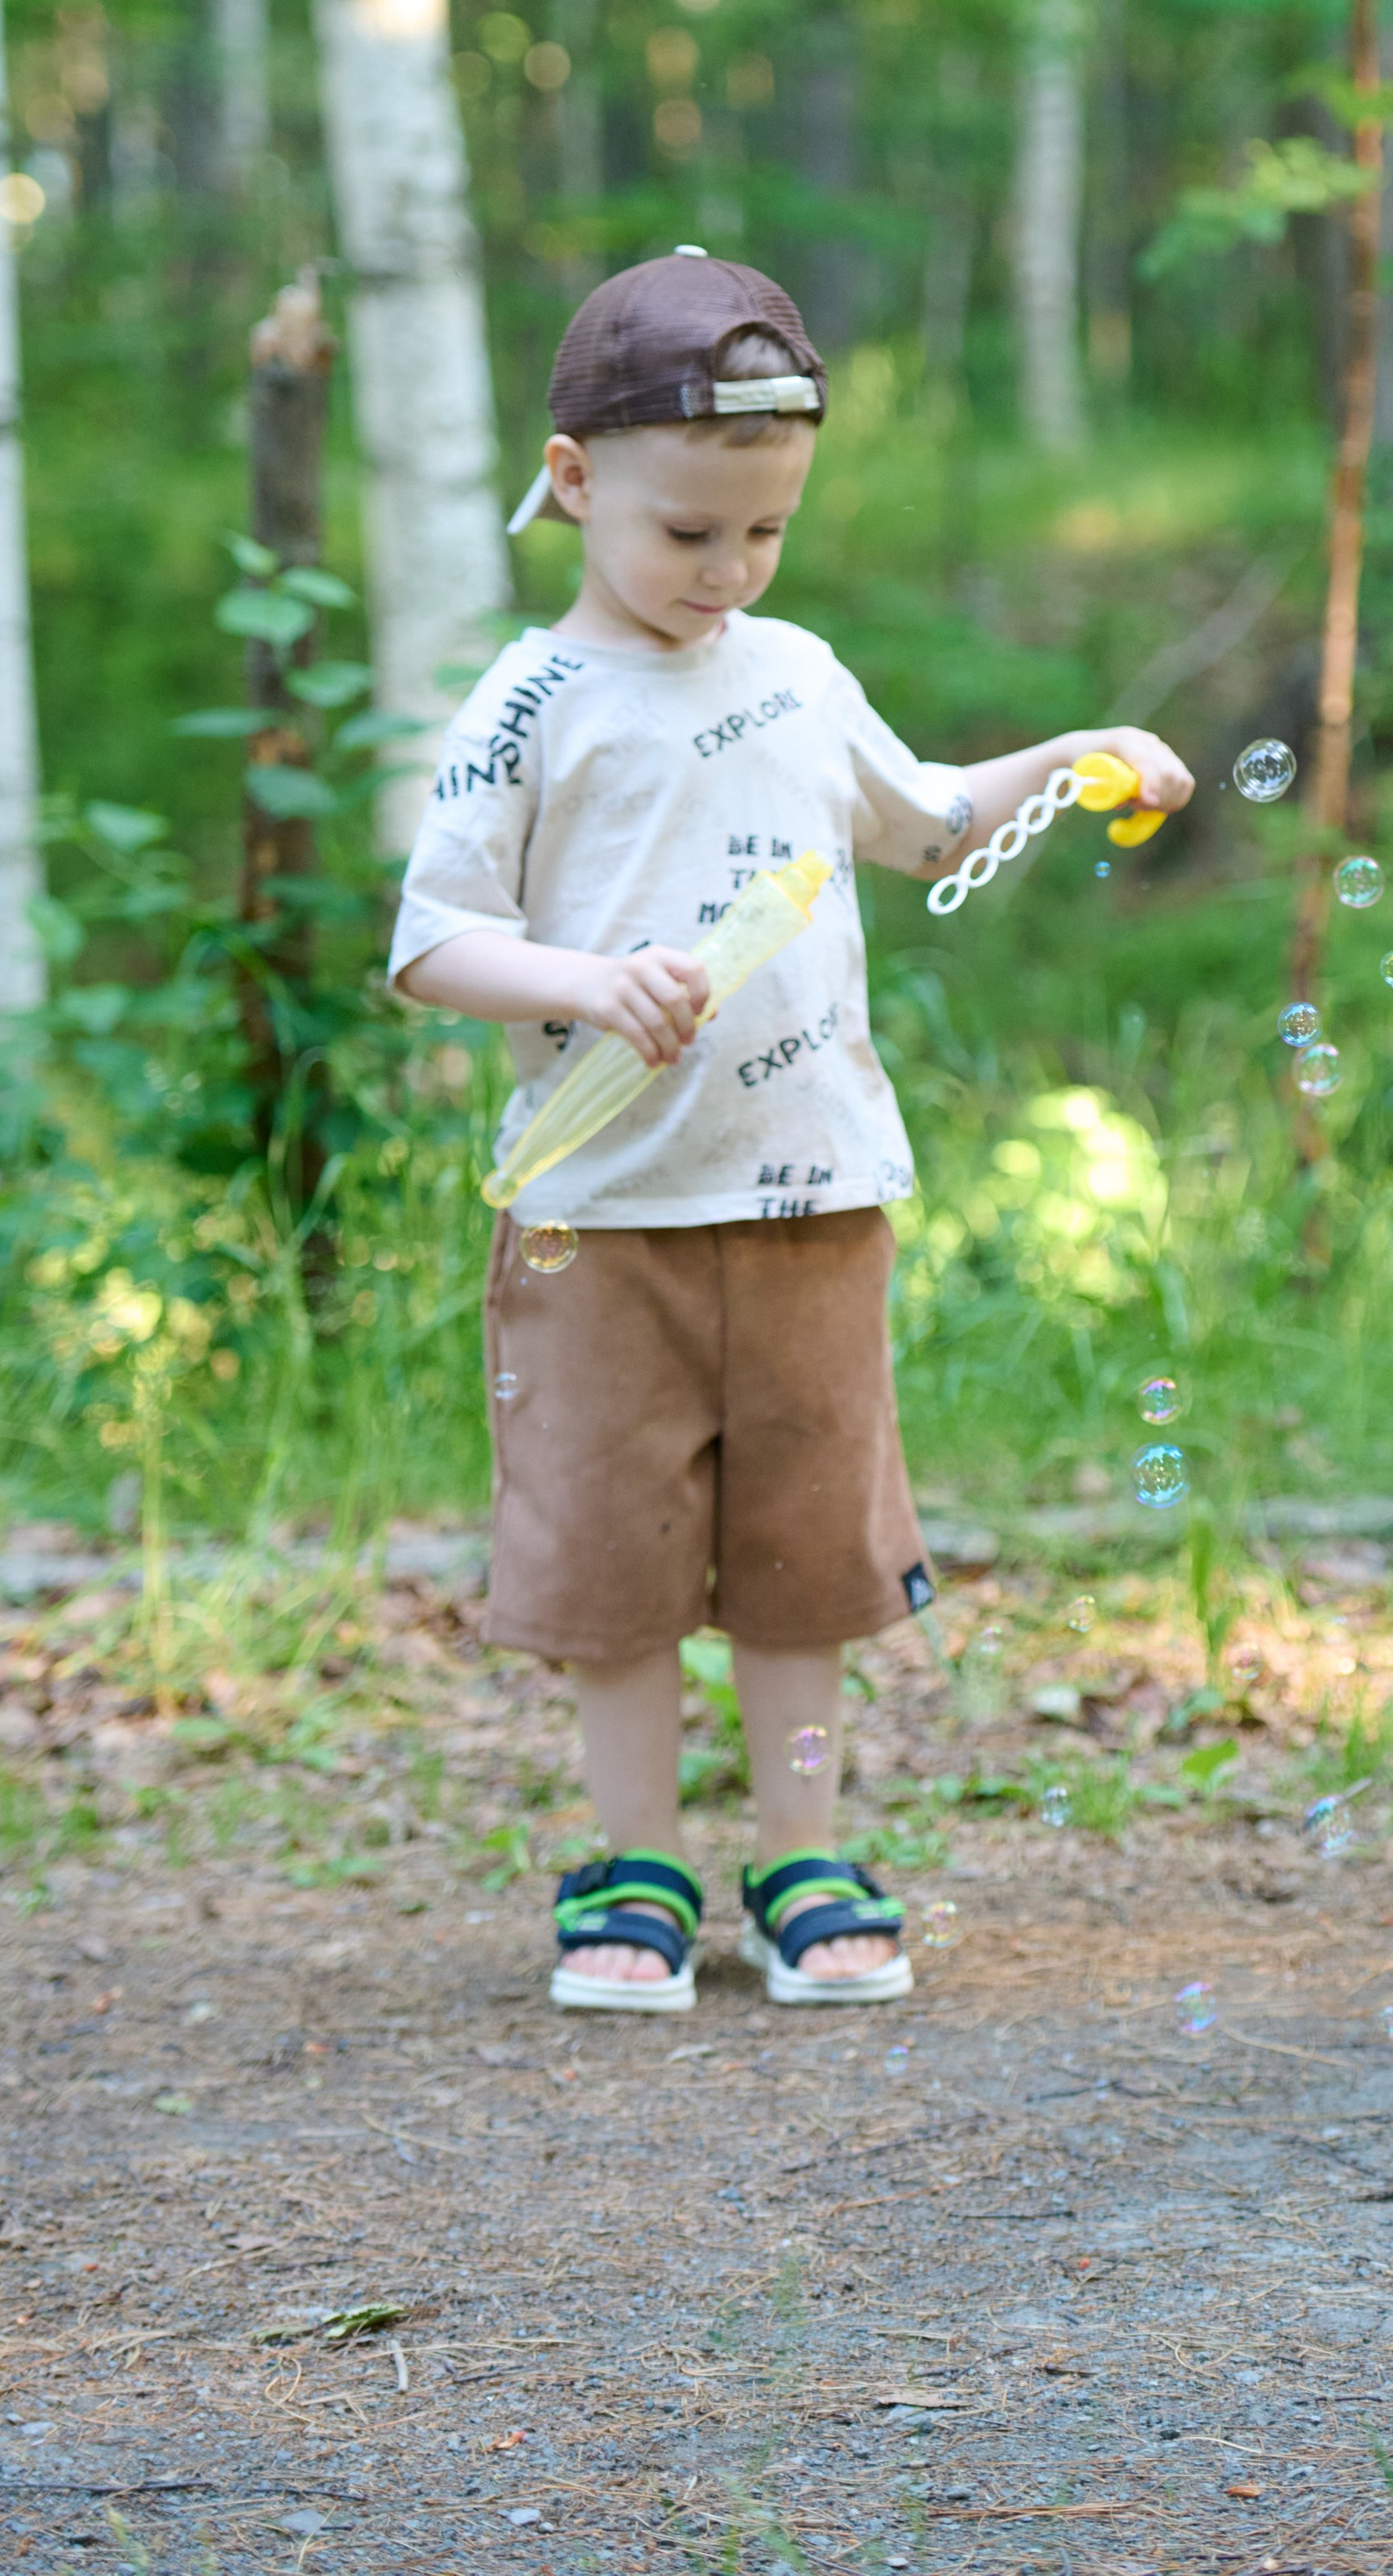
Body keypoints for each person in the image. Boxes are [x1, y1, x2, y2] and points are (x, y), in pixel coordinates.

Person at [391, 252, 1194, 2013]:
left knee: (803, 1548)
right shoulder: (528, 704)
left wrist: (1071, 758)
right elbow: (428, 941)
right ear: (579, 481)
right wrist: (590, 982)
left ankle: (800, 1847)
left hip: (816, 1193)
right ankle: (632, 1865)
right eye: (689, 534)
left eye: (762, 535)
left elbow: (924, 825)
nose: (727, 572)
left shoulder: (802, 671)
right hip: (604, 1210)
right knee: (614, 1560)